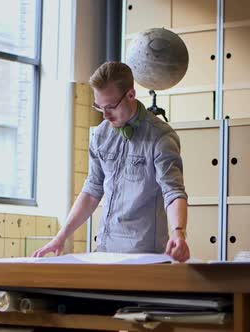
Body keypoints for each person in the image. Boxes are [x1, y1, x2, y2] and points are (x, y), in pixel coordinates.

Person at [33, 61, 190, 262]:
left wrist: (178, 232)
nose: (105, 115)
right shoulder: (101, 135)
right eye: (99, 107)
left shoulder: (161, 137)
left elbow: (173, 192)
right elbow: (91, 191)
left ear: (131, 95)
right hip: (105, 251)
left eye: (110, 107)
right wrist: (60, 237)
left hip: (145, 256)